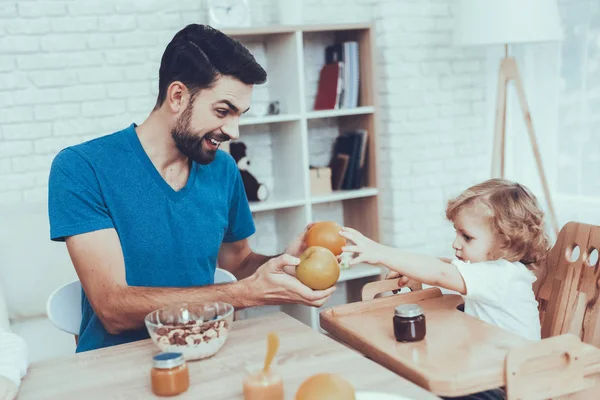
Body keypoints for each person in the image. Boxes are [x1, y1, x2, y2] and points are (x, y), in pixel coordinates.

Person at [48, 24, 335, 353]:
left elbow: (237, 263)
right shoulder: (82, 168)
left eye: (239, 115)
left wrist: (287, 263)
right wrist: (243, 294)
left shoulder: (224, 169)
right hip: (114, 366)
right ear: (177, 96)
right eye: (222, 111)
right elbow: (113, 308)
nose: (234, 130)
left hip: (207, 351)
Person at [340, 178, 550, 400]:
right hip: (489, 373)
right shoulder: (494, 271)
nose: (455, 243)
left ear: (505, 243)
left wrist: (380, 253)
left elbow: (441, 273)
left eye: (467, 237)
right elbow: (444, 266)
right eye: (457, 233)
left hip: (509, 387)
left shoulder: (503, 276)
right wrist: (413, 270)